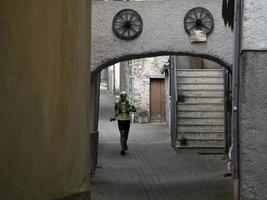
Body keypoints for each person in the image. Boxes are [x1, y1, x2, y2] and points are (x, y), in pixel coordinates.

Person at [112, 91, 136, 156]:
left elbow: (135, 110)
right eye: (122, 96)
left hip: (127, 120)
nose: (124, 97)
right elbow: (115, 109)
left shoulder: (130, 101)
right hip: (120, 120)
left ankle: (125, 143)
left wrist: (130, 110)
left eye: (125, 96)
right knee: (122, 133)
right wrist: (115, 116)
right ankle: (122, 149)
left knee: (126, 135)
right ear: (120, 96)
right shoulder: (117, 102)